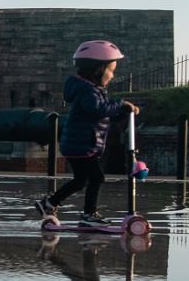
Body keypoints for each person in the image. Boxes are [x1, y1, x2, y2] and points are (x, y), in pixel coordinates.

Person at [35, 41, 139, 225]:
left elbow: (100, 117)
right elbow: (97, 110)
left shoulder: (92, 90)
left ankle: (49, 203)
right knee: (97, 177)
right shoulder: (88, 91)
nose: (113, 76)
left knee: (81, 180)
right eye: (111, 70)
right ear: (99, 70)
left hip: (80, 143)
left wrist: (121, 114)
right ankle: (89, 215)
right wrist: (120, 104)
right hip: (81, 144)